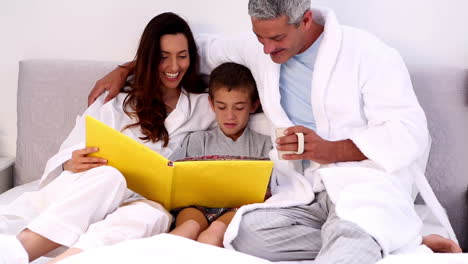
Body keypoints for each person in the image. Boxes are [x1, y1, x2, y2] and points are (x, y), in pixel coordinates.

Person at [87, 0, 462, 263]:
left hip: (363, 183)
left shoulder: (370, 55)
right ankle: (393, 240)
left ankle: (366, 235)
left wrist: (331, 149)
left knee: (351, 230)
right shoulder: (261, 46)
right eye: (259, 38)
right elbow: (192, 50)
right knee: (243, 234)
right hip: (301, 191)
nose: (265, 49)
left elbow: (409, 132)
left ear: (306, 20)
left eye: (276, 39)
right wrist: (127, 67)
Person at [0, 12, 215, 264]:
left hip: (141, 202)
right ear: (147, 59)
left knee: (154, 216)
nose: (174, 67)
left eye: (182, 56)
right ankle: (18, 252)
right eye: (163, 57)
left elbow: (243, 91)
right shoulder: (114, 102)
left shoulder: (205, 107)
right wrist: (71, 161)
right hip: (93, 190)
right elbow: (66, 154)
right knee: (111, 177)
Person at [168, 62, 272, 247]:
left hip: (237, 208)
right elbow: (169, 175)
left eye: (239, 107)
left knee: (214, 233)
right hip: (196, 206)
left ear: (253, 105)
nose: (230, 116)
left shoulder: (264, 145)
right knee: (187, 229)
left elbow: (276, 189)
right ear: (212, 104)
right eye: (222, 107)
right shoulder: (197, 140)